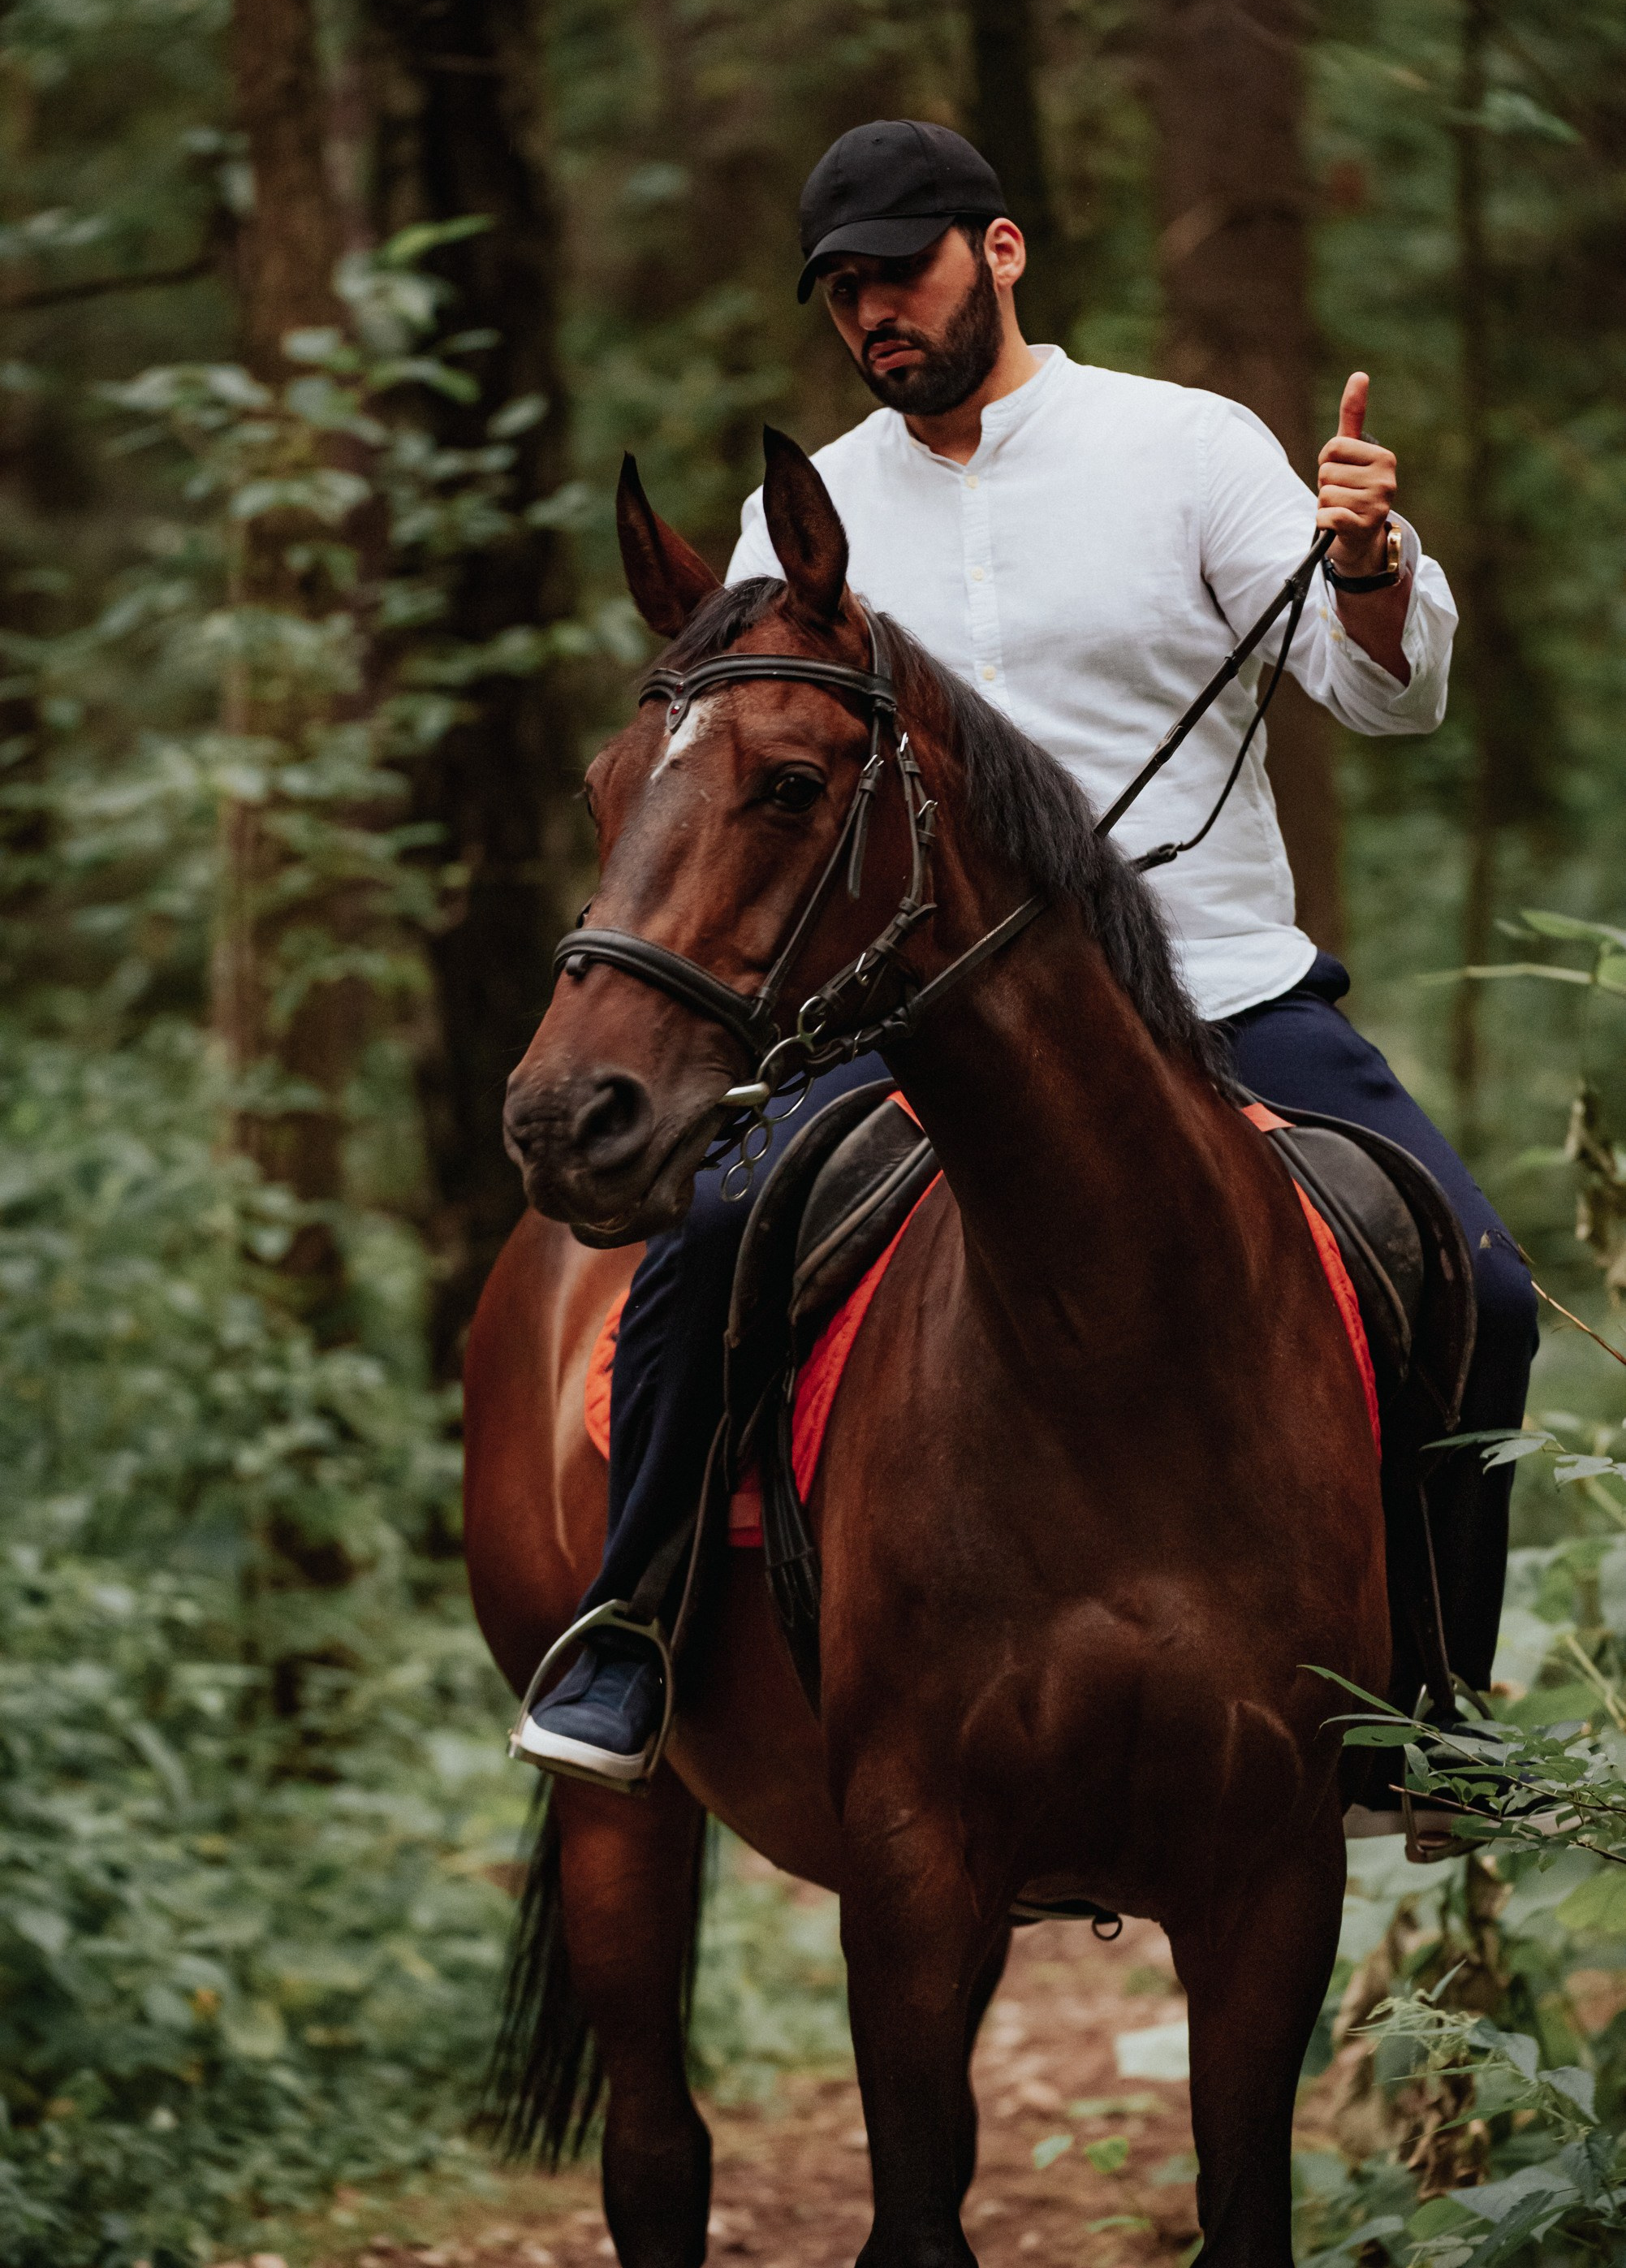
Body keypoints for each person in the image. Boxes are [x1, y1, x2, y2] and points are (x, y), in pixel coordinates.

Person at [516, 119, 1537, 1786]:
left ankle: (1432, 1703)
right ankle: (632, 1625)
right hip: (896, 1025)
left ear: (997, 250)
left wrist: (1366, 564)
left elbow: (1382, 695)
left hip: (1210, 989)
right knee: (706, 1236)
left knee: (1478, 1277)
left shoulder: (1184, 447)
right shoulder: (805, 513)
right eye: (842, 290)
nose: (873, 313)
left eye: (899, 273)